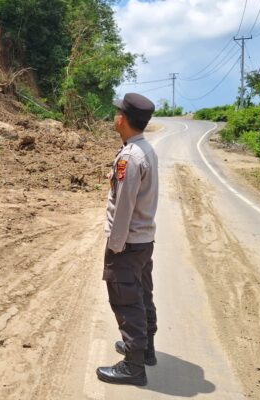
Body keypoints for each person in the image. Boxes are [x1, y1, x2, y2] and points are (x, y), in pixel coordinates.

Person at [97, 93, 158, 386]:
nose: (114, 116)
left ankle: (134, 366)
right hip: (143, 240)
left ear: (122, 119)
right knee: (142, 294)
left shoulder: (130, 158)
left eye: (116, 112)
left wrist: (115, 246)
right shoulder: (144, 149)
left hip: (128, 243)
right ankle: (145, 349)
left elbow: (123, 207)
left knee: (125, 300)